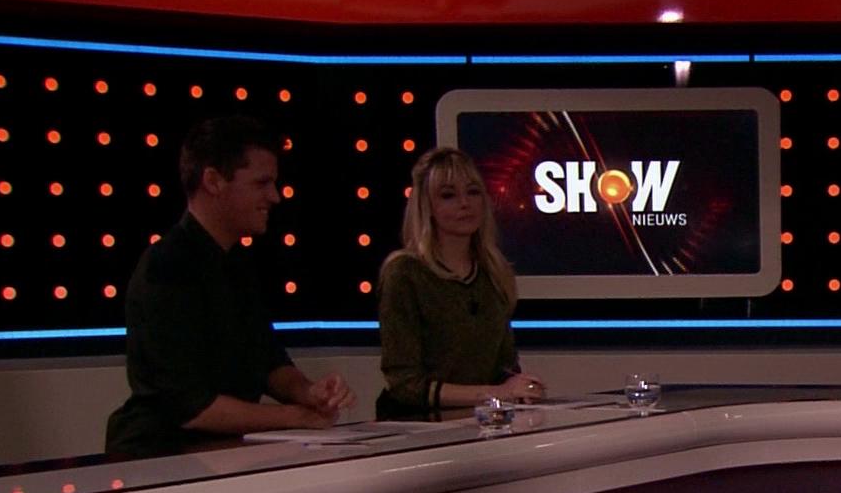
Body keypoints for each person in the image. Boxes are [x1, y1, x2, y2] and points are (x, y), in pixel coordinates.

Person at [105, 116, 355, 456]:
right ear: (213, 181)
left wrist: (310, 393)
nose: (275, 196)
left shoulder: (237, 264)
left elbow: (268, 361)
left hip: (221, 454)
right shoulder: (166, 266)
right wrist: (294, 417)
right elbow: (191, 407)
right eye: (262, 183)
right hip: (159, 456)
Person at [378, 147, 544, 416]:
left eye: (473, 192)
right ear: (427, 207)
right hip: (416, 425)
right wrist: (496, 393)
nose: (465, 203)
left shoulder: (494, 271)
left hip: (482, 422)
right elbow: (405, 384)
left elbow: (505, 368)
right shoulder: (405, 273)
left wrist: (522, 388)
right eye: (448, 195)